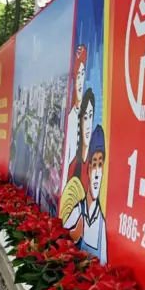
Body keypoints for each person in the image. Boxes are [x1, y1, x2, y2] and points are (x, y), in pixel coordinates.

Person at [62, 125, 108, 264]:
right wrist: (73, 235)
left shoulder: (102, 224)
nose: (97, 173)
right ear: (88, 170)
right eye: (94, 164)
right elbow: (60, 238)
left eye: (100, 164)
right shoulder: (78, 211)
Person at [61, 44, 87, 187]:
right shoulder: (71, 118)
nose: (80, 80)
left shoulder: (86, 113)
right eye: (78, 74)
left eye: (83, 74)